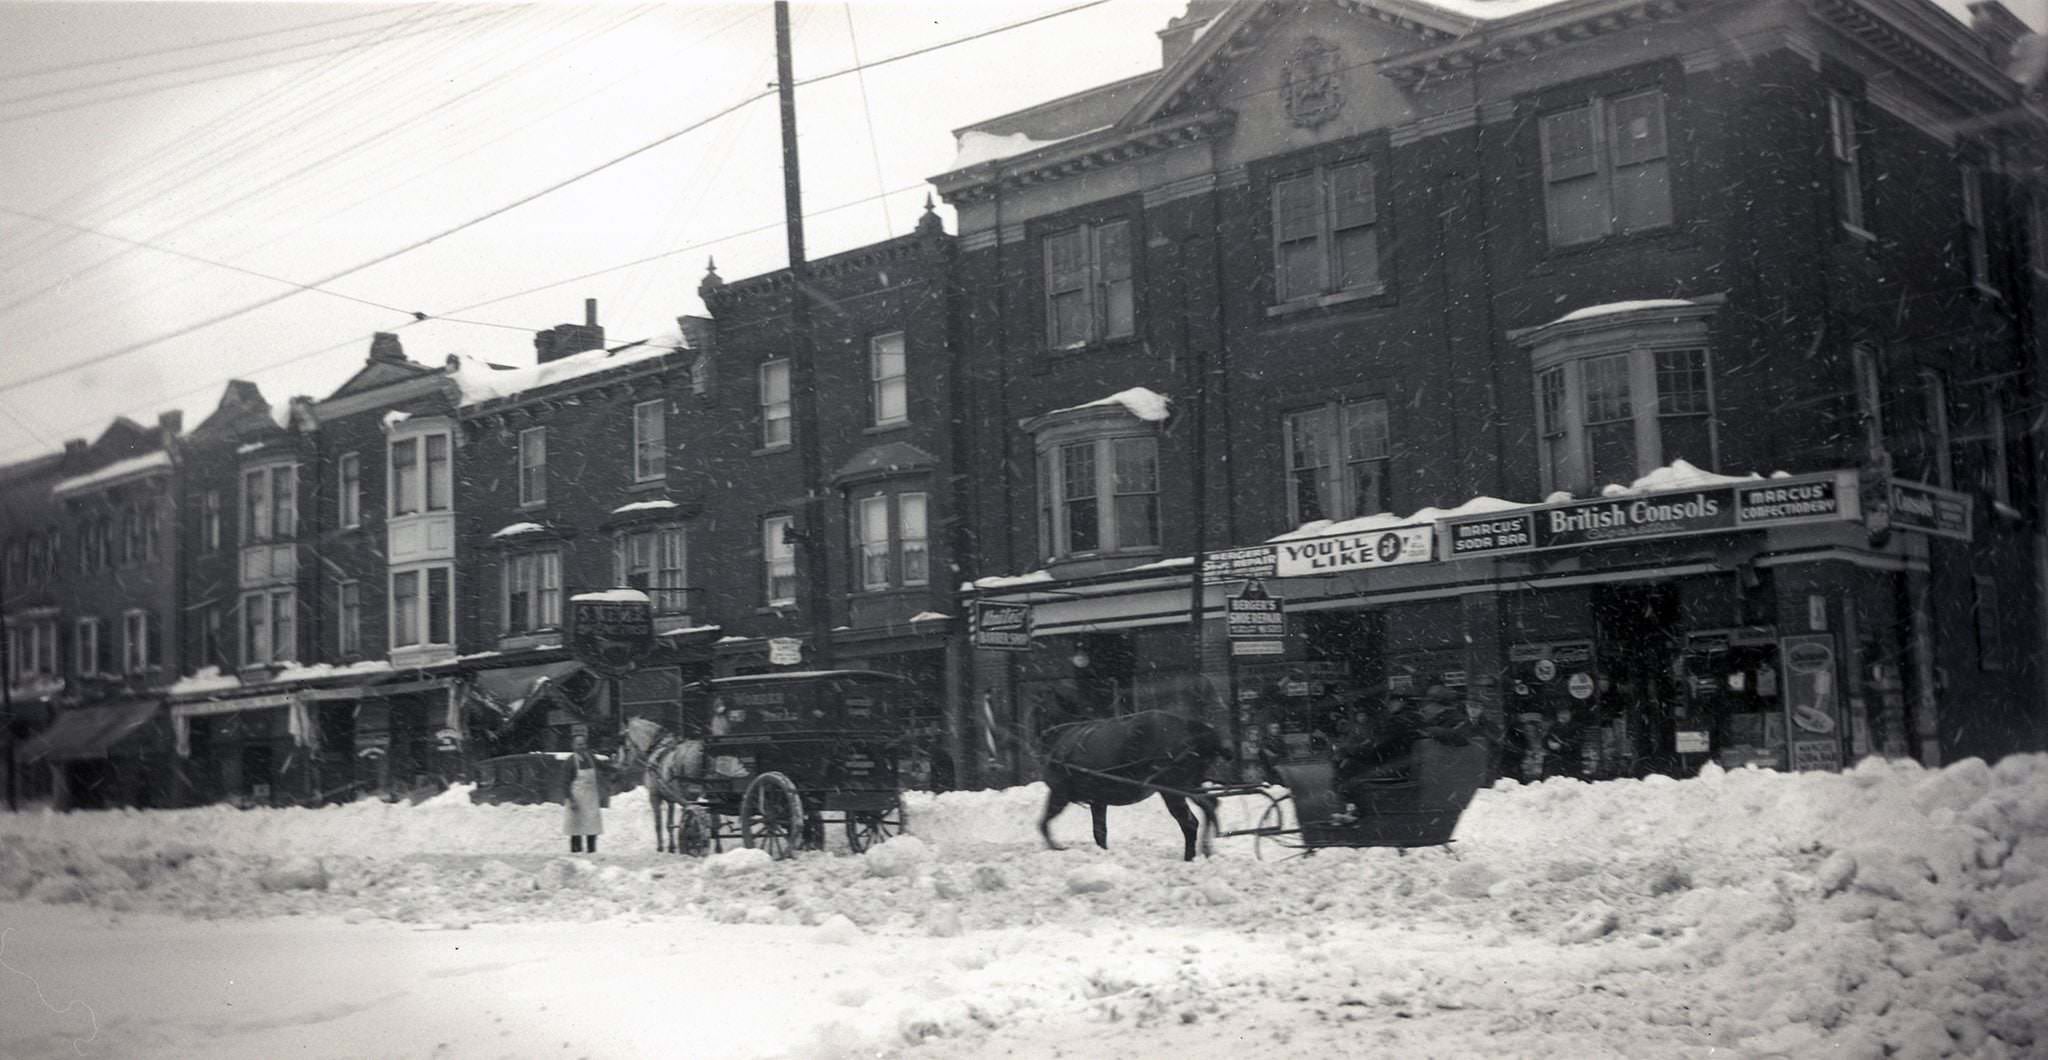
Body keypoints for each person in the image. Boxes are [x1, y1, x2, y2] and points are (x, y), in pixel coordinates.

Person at [562, 731, 607, 854]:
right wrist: (571, 800)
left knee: (591, 827)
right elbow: (565, 783)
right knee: (576, 829)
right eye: (579, 744)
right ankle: (576, 854)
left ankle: (592, 852)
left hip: (591, 798)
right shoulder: (570, 762)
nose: (582, 747)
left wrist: (619, 768)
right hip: (576, 799)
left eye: (583, 744)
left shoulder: (590, 757)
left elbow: (604, 767)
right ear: (573, 746)